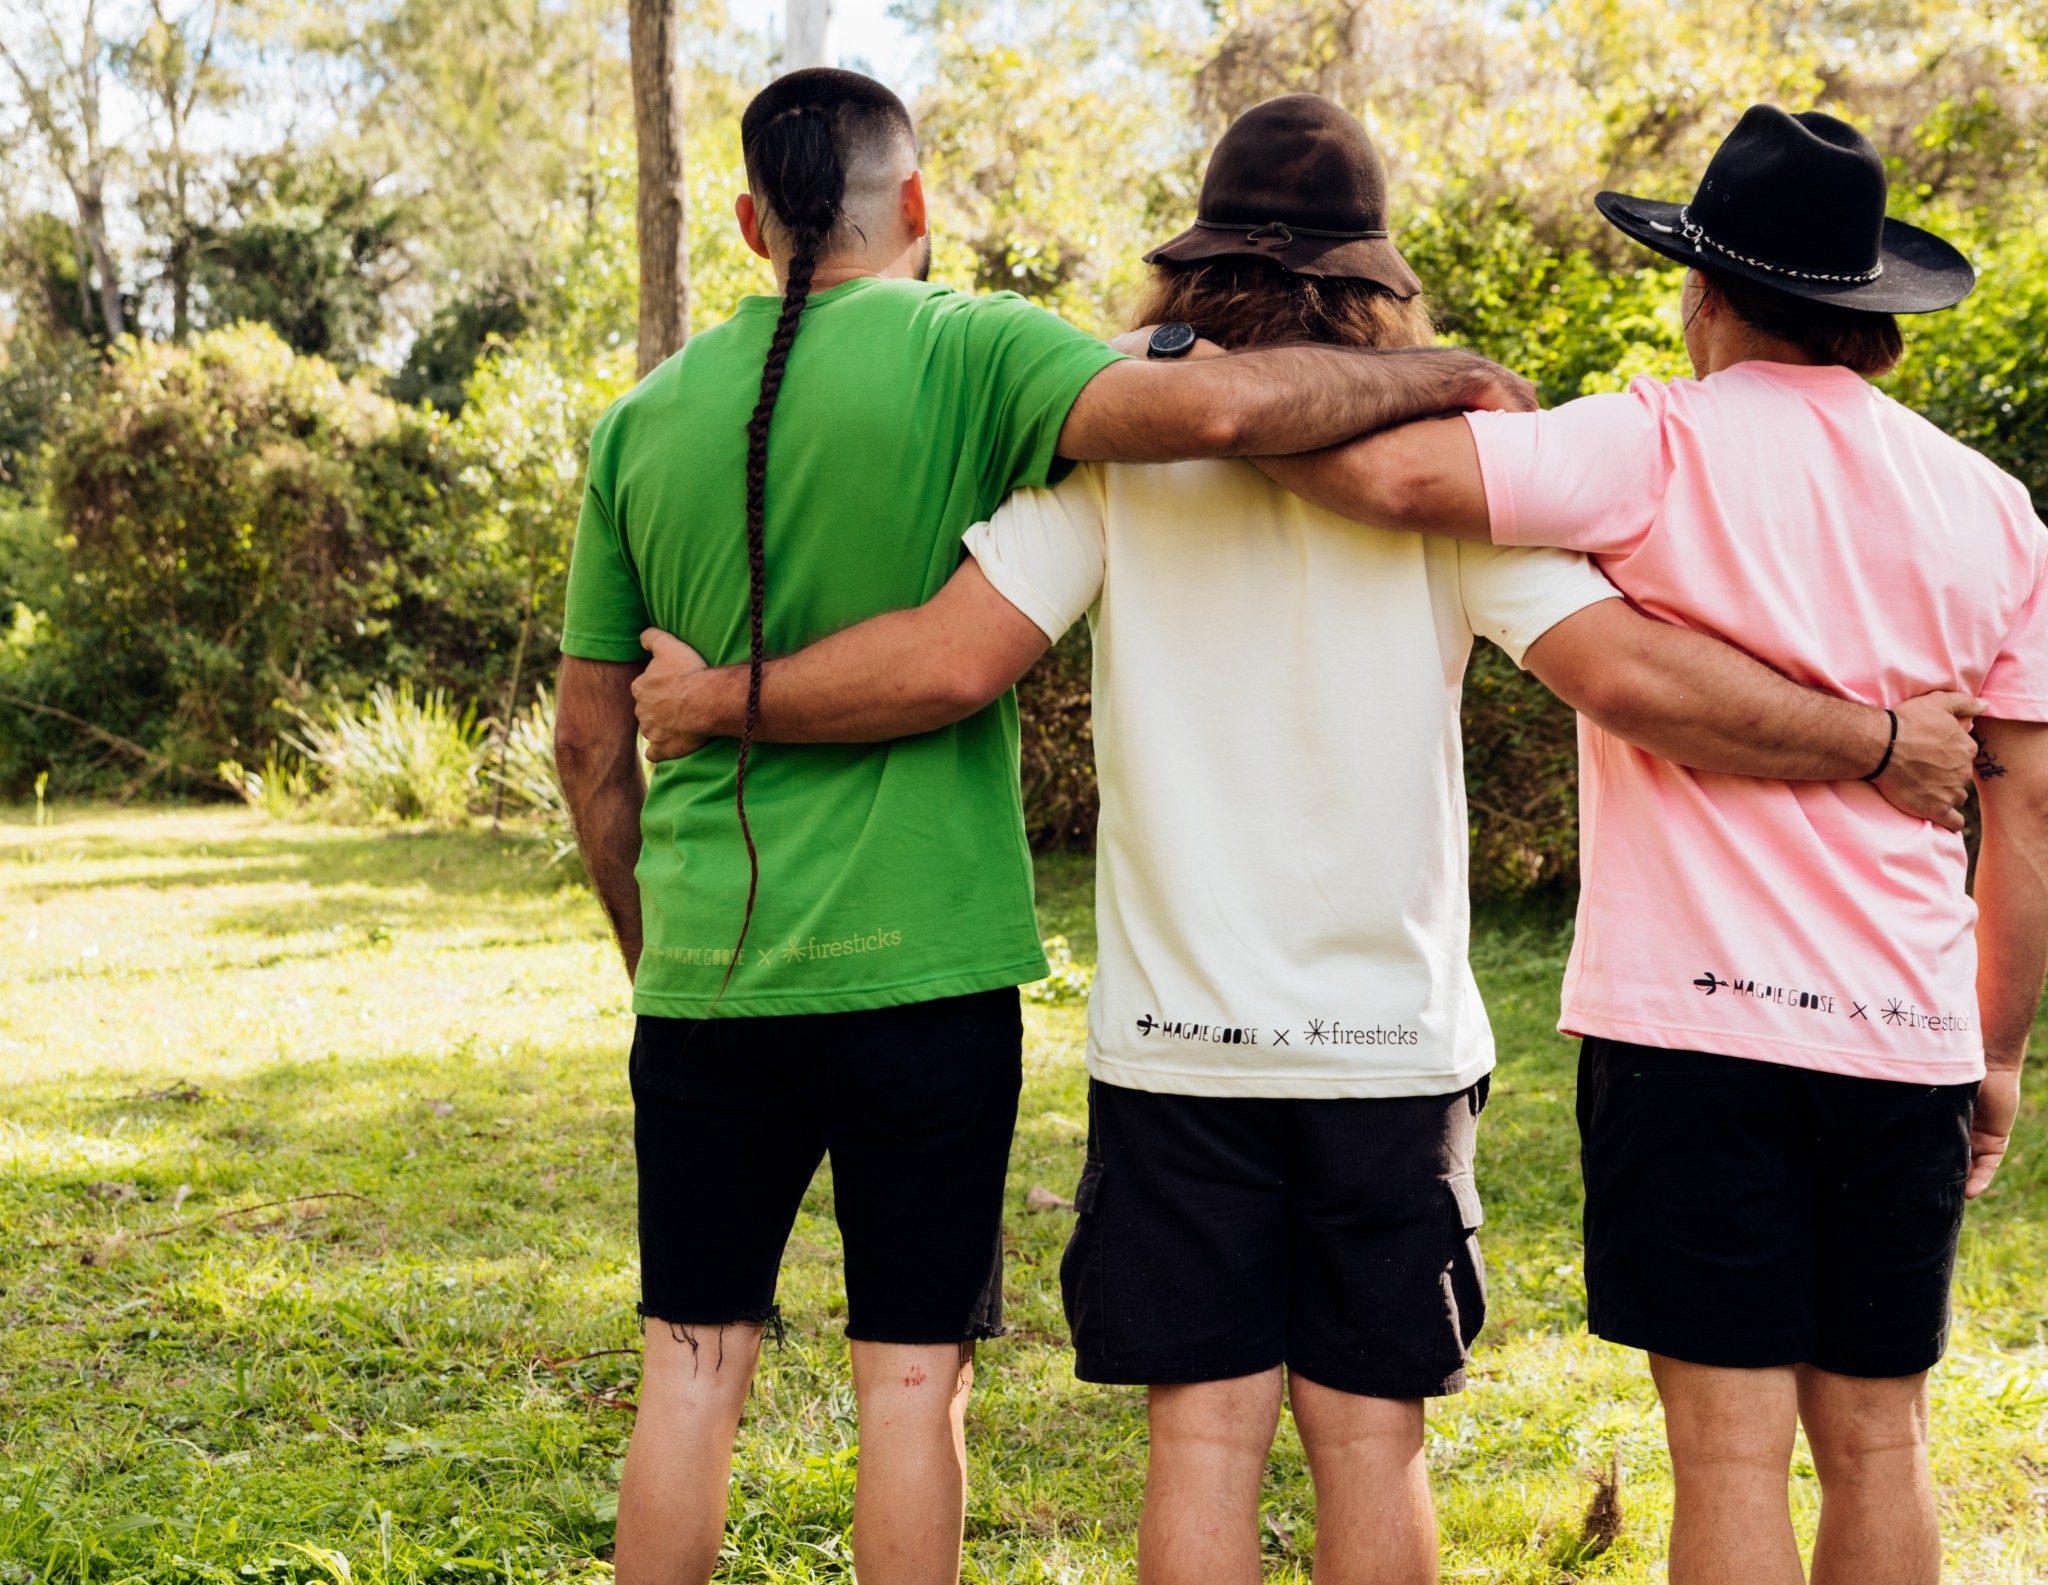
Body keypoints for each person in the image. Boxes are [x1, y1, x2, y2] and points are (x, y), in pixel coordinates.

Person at [626, 95, 1985, 1585]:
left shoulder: (1115, 466)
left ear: (1192, 275)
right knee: (1371, 1439)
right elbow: (1630, 675)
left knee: (1200, 1439)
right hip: (1388, 1049)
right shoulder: (1452, 474)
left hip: (1175, 1042)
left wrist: (715, 700)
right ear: (1374, 284)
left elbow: (946, 661)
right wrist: (1872, 738)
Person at [550, 70, 1566, 1585]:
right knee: (954, 1385)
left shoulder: (662, 425)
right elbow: (1223, 412)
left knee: (699, 1368)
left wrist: (678, 845)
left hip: (807, 989)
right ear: (919, 204)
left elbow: (605, 735)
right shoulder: (993, 356)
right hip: (1037, 989)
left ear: (752, 220)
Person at [1258, 106, 2048, 1585]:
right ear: (1873, 318)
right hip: (1908, 1036)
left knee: (1728, 1455)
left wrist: (1208, 403)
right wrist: (1996, 1046)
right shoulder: (1996, 513)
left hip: (1693, 1033)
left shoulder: (1651, 443)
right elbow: (2037, 799)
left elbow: (1389, 482)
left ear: (1703, 292)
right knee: (1881, 1441)